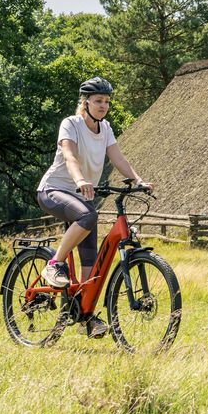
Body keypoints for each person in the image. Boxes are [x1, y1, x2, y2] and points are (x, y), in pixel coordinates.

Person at [35, 77, 152, 338]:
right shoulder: (71, 124)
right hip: (54, 190)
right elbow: (69, 156)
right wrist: (79, 180)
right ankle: (54, 263)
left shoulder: (106, 128)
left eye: (107, 101)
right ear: (85, 102)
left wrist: (138, 180)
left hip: (82, 196)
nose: (103, 106)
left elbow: (118, 157)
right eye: (98, 101)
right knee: (89, 214)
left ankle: (85, 315)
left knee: (92, 260)